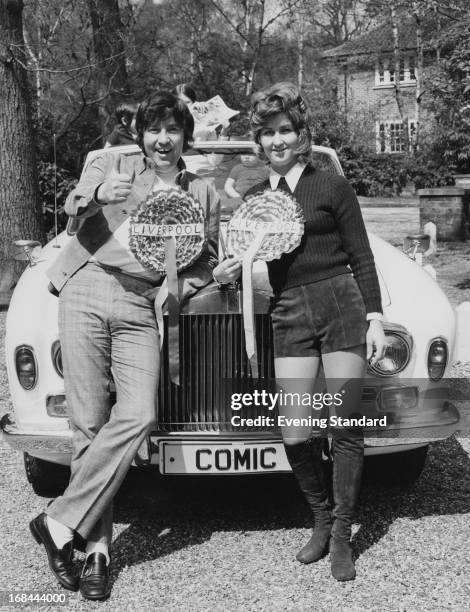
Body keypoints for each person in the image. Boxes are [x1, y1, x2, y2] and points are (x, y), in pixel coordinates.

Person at [30, 91, 221, 600]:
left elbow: (207, 258)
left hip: (142, 304)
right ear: (142, 134)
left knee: (138, 414)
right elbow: (72, 209)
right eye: (155, 129)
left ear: (186, 137)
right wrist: (97, 197)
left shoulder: (202, 191)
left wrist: (178, 286)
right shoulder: (112, 163)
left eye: (174, 130)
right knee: (88, 425)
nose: (164, 139)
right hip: (88, 284)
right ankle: (97, 552)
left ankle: (56, 522)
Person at [216, 82, 386, 581]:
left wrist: (374, 317)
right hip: (289, 310)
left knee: (346, 424)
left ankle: (341, 536)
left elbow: (361, 255)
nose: (277, 140)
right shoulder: (252, 198)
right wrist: (230, 271)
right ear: (258, 141)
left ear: (301, 133)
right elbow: (243, 260)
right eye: (268, 133)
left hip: (341, 304)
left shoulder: (330, 185)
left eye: (285, 130)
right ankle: (320, 517)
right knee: (293, 429)